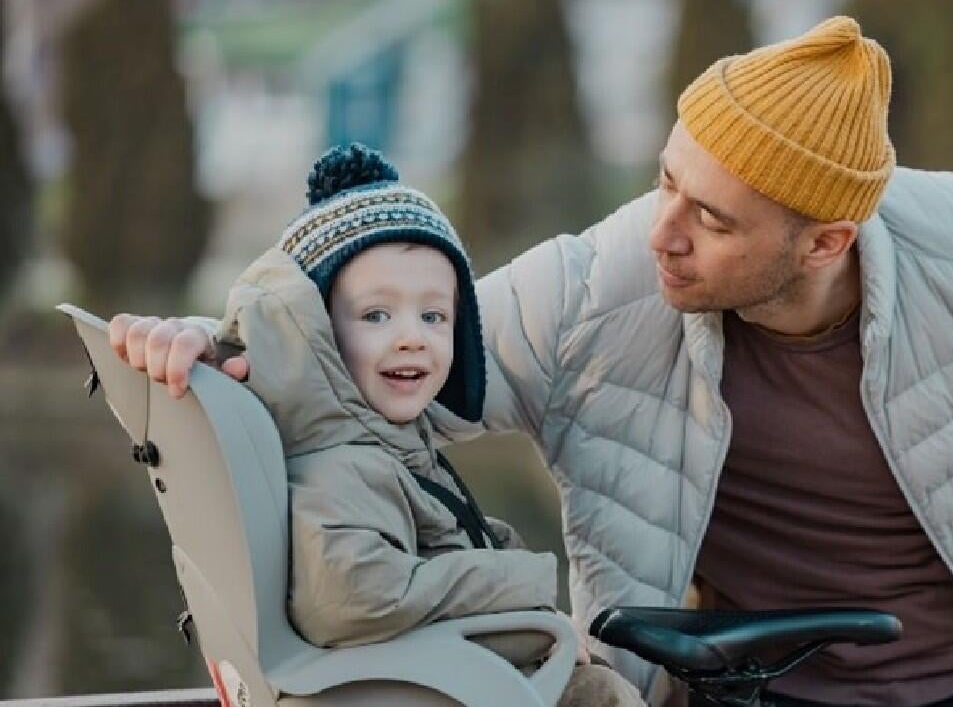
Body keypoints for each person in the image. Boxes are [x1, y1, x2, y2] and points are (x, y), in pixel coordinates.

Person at [112, 17, 953, 707]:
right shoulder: (600, 283)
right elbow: (379, 348)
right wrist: (221, 350)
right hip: (750, 697)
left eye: (714, 218)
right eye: (666, 180)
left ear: (825, 239)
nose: (666, 231)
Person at [207, 144, 642, 707]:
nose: (410, 336)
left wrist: (530, 614)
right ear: (319, 335)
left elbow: (432, 552)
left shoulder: (389, 445)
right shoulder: (343, 462)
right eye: (376, 315)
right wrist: (521, 585)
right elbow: (348, 595)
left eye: (433, 316)